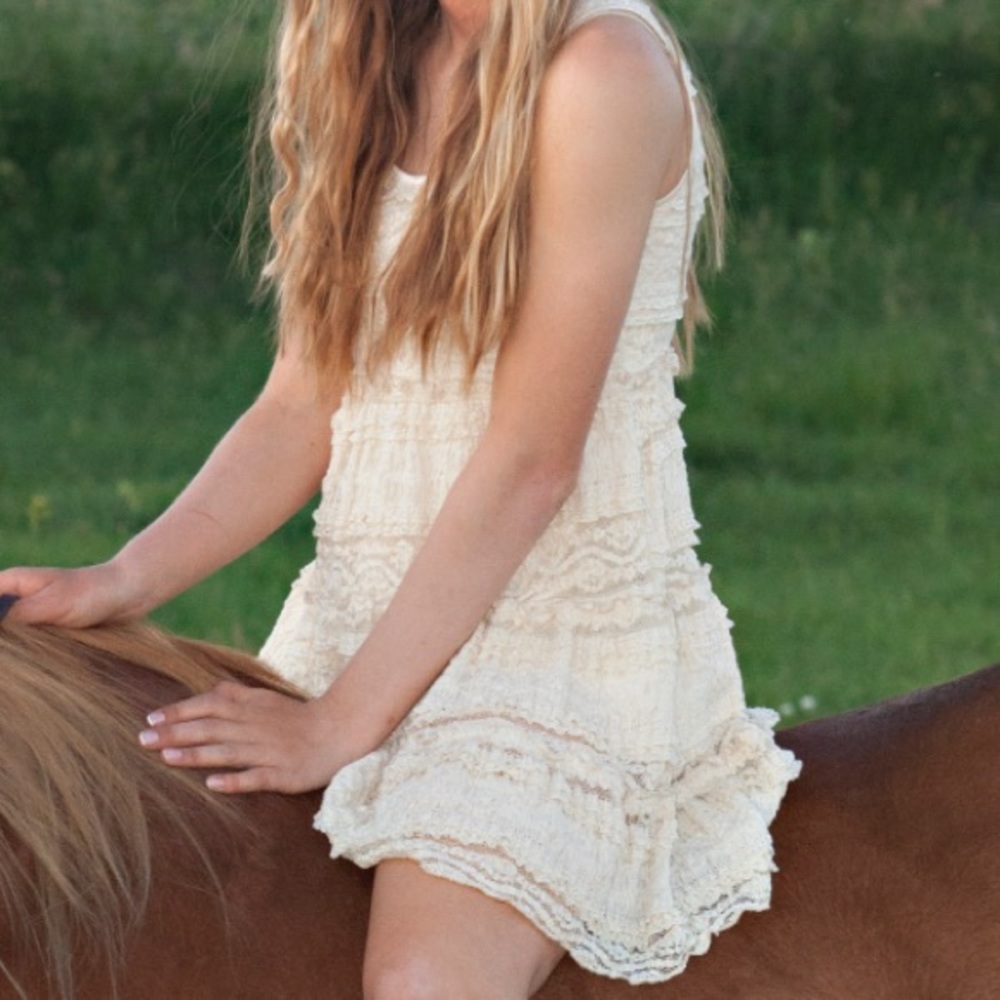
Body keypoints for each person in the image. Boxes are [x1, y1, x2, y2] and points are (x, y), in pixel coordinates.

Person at [0, 0, 800, 994]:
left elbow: (531, 461)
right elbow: (302, 402)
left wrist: (340, 724)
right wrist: (123, 576)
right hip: (360, 631)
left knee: (422, 987)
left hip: (558, 661)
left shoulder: (601, 67)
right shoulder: (371, 46)